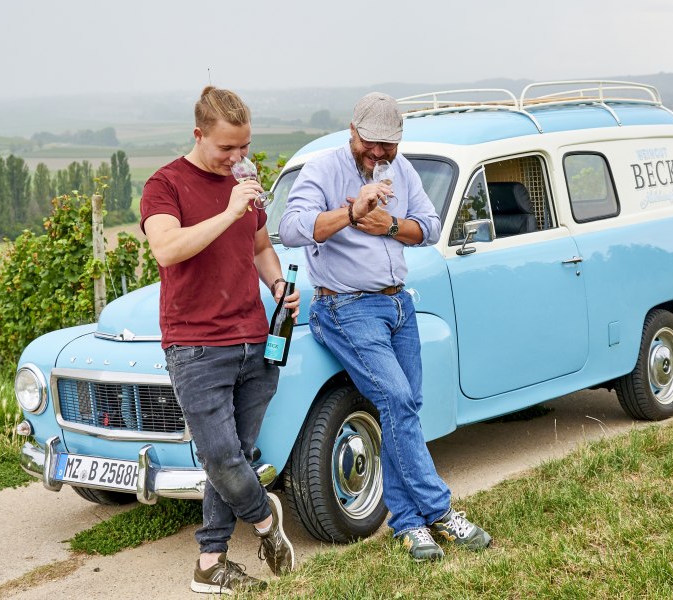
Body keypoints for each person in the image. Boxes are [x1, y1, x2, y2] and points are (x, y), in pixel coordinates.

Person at [278, 92, 492, 561]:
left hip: (398, 306)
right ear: (352, 131)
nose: (378, 154)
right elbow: (293, 228)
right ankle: (440, 511)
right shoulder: (322, 169)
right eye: (370, 144)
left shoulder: (403, 169)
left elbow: (430, 227)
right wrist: (352, 214)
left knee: (405, 408)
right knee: (396, 399)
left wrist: (390, 225)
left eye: (387, 146)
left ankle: (409, 525)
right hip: (345, 307)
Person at [140, 86, 298, 594]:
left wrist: (276, 284)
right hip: (197, 346)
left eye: (244, 147)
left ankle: (210, 563)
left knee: (237, 454)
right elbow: (167, 249)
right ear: (198, 135)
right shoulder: (165, 185)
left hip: (255, 338)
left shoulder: (245, 184)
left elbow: (259, 244)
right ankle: (265, 522)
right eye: (226, 148)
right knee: (222, 458)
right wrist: (228, 211)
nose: (237, 158)